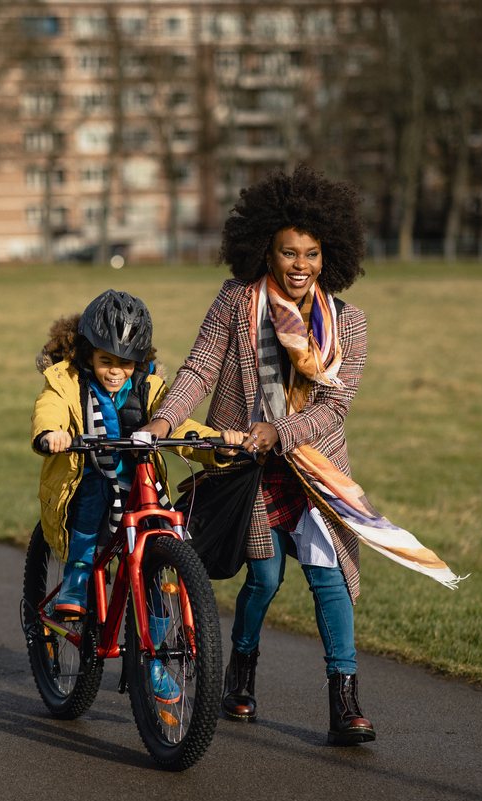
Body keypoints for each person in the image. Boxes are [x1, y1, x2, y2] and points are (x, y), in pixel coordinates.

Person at [141, 165, 378, 743]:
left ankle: (344, 703)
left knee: (328, 578)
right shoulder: (236, 301)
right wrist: (165, 419)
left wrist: (280, 430)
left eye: (313, 254)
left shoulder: (347, 324)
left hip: (314, 468)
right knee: (265, 578)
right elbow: (200, 367)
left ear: (329, 256)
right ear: (265, 252)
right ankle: (240, 674)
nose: (301, 266)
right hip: (246, 468)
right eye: (289, 253)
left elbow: (333, 409)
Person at [31, 289, 229, 702]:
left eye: (125, 363)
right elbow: (49, 407)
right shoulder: (67, 383)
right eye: (106, 361)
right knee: (90, 499)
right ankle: (76, 578)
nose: (116, 371)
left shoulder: (149, 387)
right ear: (88, 355)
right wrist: (53, 433)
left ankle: (154, 660)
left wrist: (218, 442)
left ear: (139, 360)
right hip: (90, 474)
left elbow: (176, 422)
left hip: (139, 484)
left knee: (157, 561)